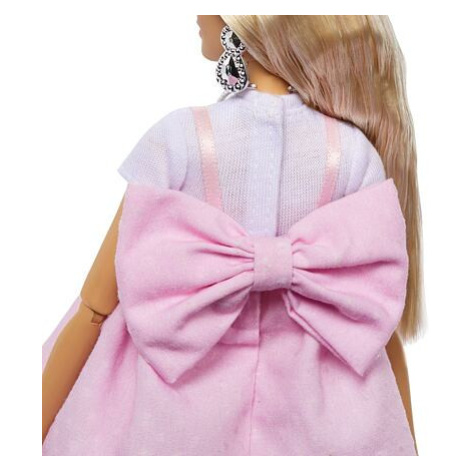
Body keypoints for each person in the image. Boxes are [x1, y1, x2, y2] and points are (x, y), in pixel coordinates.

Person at [42, 15, 425, 455]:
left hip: (170, 402)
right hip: (321, 413)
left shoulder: (180, 137)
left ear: (243, 21)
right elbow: (372, 316)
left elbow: (96, 303)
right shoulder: (353, 153)